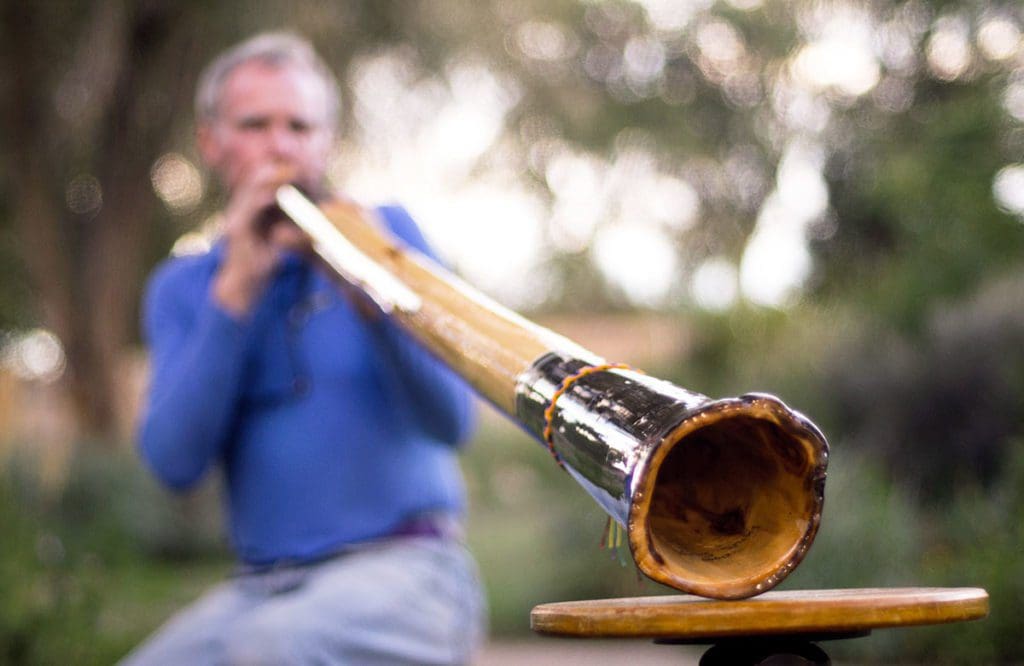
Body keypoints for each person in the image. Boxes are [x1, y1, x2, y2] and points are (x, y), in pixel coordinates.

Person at [124, 32, 485, 665]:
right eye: (255, 124)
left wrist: (372, 289)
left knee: (269, 651)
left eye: (300, 125)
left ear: (327, 142)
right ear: (212, 143)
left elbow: (452, 422)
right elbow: (174, 464)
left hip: (411, 571)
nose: (281, 145)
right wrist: (235, 293)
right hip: (262, 588)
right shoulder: (182, 288)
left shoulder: (390, 235)